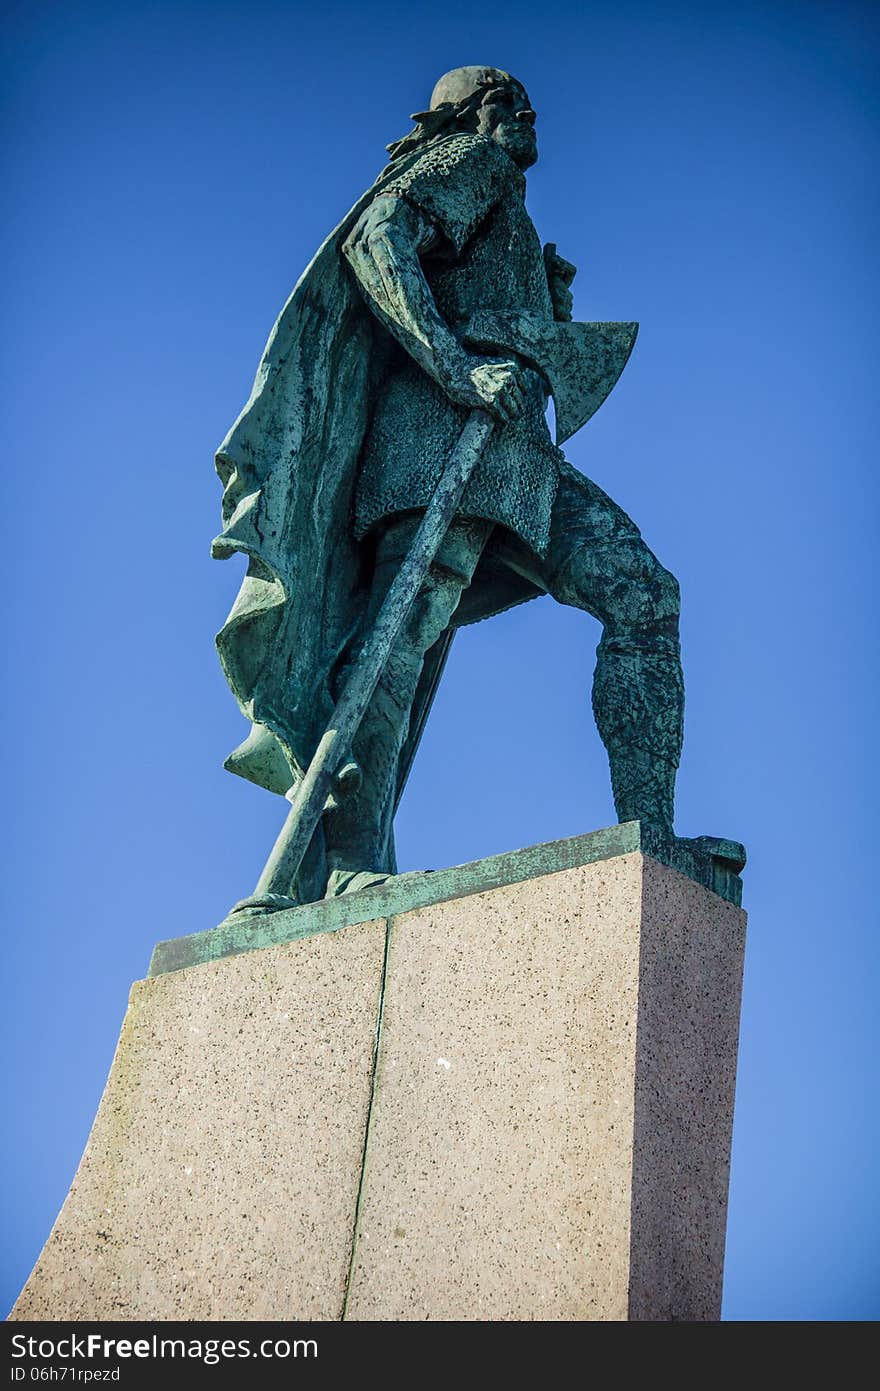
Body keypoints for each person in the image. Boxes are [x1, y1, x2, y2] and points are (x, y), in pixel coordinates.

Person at [213, 66, 734, 905]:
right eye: (503, 100)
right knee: (401, 633)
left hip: (516, 450)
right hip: (444, 431)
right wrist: (460, 371)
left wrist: (539, 306)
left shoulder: (510, 210)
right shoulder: (469, 162)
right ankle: (347, 863)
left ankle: (653, 836)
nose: (525, 112)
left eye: (525, 100)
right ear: (461, 119)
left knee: (642, 593)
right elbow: (377, 237)